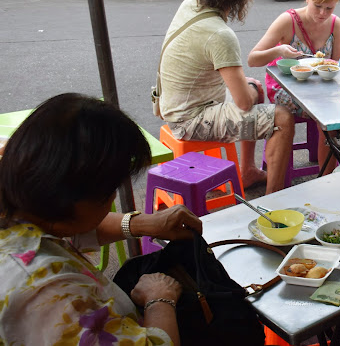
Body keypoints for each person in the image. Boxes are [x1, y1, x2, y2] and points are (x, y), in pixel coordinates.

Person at [0, 93, 203, 345]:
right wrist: (159, 300)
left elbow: (63, 226)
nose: (111, 200)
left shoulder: (17, 195)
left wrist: (143, 224)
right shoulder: (52, 297)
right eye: (110, 192)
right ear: (71, 201)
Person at [159, 0, 295, 194]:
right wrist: (250, 93)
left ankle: (248, 171)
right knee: (283, 118)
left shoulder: (190, 4)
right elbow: (243, 103)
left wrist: (250, 90)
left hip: (173, 104)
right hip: (190, 119)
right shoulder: (220, 35)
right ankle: (274, 199)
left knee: (255, 87)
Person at [248, 0, 340, 174]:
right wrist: (278, 50)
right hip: (285, 88)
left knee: (338, 117)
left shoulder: (335, 24)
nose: (322, 13)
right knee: (325, 116)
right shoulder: (288, 21)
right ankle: (325, 177)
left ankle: (327, 178)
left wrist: (327, 65)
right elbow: (253, 58)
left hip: (320, 89)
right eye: (317, 6)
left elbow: (338, 65)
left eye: (329, 8)